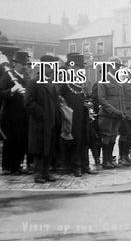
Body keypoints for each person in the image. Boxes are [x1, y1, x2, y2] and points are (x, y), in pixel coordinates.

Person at [24, 55, 62, 183]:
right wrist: (43, 114)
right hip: (40, 123)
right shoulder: (34, 82)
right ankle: (38, 173)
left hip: (52, 122)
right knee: (39, 149)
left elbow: (56, 102)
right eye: (50, 67)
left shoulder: (51, 83)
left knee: (49, 148)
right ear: (43, 67)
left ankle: (46, 172)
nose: (52, 70)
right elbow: (28, 103)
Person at [57, 53, 96, 176]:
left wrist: (89, 103)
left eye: (80, 67)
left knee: (85, 138)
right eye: (77, 67)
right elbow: (58, 97)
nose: (79, 70)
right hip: (70, 115)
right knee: (74, 139)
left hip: (83, 114)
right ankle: (75, 166)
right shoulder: (63, 81)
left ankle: (85, 165)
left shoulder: (82, 82)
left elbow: (88, 97)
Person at [0, 51, 31, 175]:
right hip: (10, 116)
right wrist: (12, 90)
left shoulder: (26, 79)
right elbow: (1, 94)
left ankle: (17, 165)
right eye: (22, 64)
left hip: (23, 116)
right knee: (11, 142)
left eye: (26, 64)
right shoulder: (7, 77)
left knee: (21, 141)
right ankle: (8, 167)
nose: (25, 66)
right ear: (16, 64)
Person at [97, 57, 126, 169]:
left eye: (119, 66)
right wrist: (115, 111)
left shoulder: (118, 81)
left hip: (117, 115)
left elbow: (121, 98)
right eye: (116, 66)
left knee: (113, 138)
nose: (117, 68)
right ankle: (105, 161)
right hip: (107, 115)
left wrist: (123, 112)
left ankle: (110, 160)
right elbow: (102, 99)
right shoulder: (104, 79)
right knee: (106, 137)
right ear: (109, 67)